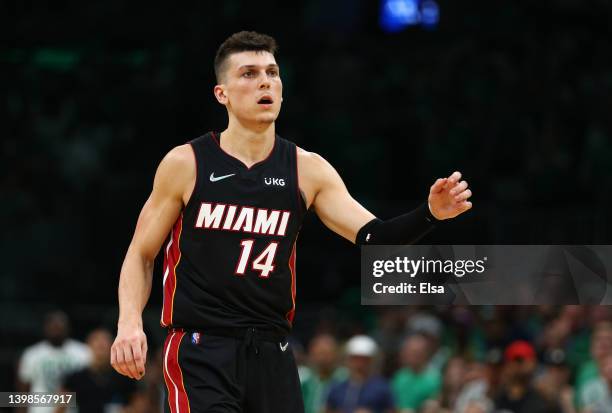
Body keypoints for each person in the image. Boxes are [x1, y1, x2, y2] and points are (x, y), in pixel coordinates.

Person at [110, 31, 473, 413]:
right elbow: (141, 253)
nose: (265, 81)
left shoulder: (307, 169)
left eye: (272, 72)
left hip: (273, 350)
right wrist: (129, 322)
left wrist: (430, 214)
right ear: (222, 94)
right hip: (202, 347)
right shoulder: (187, 163)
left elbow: (375, 238)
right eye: (249, 74)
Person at [17, 311, 90, 413]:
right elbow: (23, 390)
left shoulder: (83, 352)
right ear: (45, 328)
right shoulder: (32, 354)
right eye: (53, 326)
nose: (56, 329)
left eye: (60, 326)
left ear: (68, 328)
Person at [56, 328, 137, 413]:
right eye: (97, 342)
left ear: (112, 346)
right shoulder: (75, 378)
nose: (101, 344)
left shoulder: (124, 377)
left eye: (105, 342)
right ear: (88, 345)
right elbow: (59, 408)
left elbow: (138, 405)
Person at [325, 335, 395, 413]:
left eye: (364, 360)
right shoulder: (337, 387)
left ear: (373, 361)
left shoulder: (383, 388)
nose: (359, 364)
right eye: (355, 359)